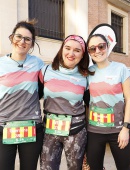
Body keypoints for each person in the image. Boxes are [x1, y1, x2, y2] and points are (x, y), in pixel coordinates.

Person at [40, 35, 93, 170]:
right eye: (67, 48)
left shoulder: (85, 76)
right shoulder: (46, 71)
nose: (71, 53)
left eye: (77, 50)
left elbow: (91, 105)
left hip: (76, 132)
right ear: (61, 49)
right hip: (49, 131)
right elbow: (32, 96)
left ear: (82, 55)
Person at [0, 20, 44, 170]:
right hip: (4, 128)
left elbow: (49, 84)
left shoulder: (38, 64)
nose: (22, 41)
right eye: (19, 36)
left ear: (32, 44)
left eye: (27, 39)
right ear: (12, 37)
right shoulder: (1, 64)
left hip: (31, 128)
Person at [86, 34, 130, 170]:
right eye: (92, 49)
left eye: (101, 46)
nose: (97, 51)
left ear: (107, 46)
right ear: (89, 52)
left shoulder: (121, 68)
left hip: (118, 130)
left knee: (124, 167)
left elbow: (129, 99)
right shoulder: (88, 72)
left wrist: (125, 128)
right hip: (94, 130)